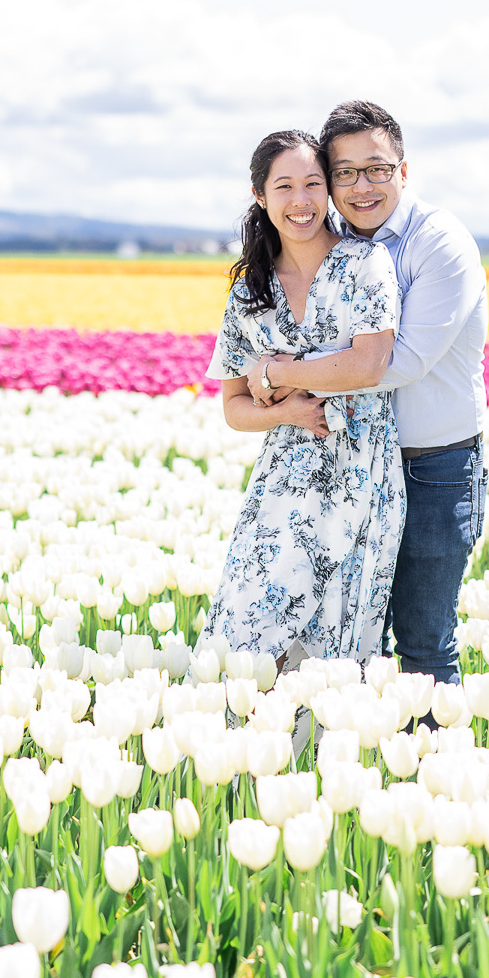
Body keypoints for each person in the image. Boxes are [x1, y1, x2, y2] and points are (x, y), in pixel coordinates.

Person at [250, 102, 487, 686]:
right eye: (345, 173)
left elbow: (394, 363)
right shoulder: (323, 254)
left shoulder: (440, 244)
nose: (362, 186)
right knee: (344, 642)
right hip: (341, 465)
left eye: (377, 169)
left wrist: (279, 373)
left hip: (430, 466)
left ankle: (434, 774)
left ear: (404, 172)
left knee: (424, 645)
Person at [200, 129, 404, 667]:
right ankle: (238, 747)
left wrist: (283, 373)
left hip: (359, 476)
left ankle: (315, 753)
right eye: (285, 186)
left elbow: (369, 362)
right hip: (281, 484)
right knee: (248, 628)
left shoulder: (366, 263)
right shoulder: (250, 290)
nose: (301, 201)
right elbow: (233, 406)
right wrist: (286, 406)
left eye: (313, 184)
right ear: (261, 197)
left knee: (335, 639)